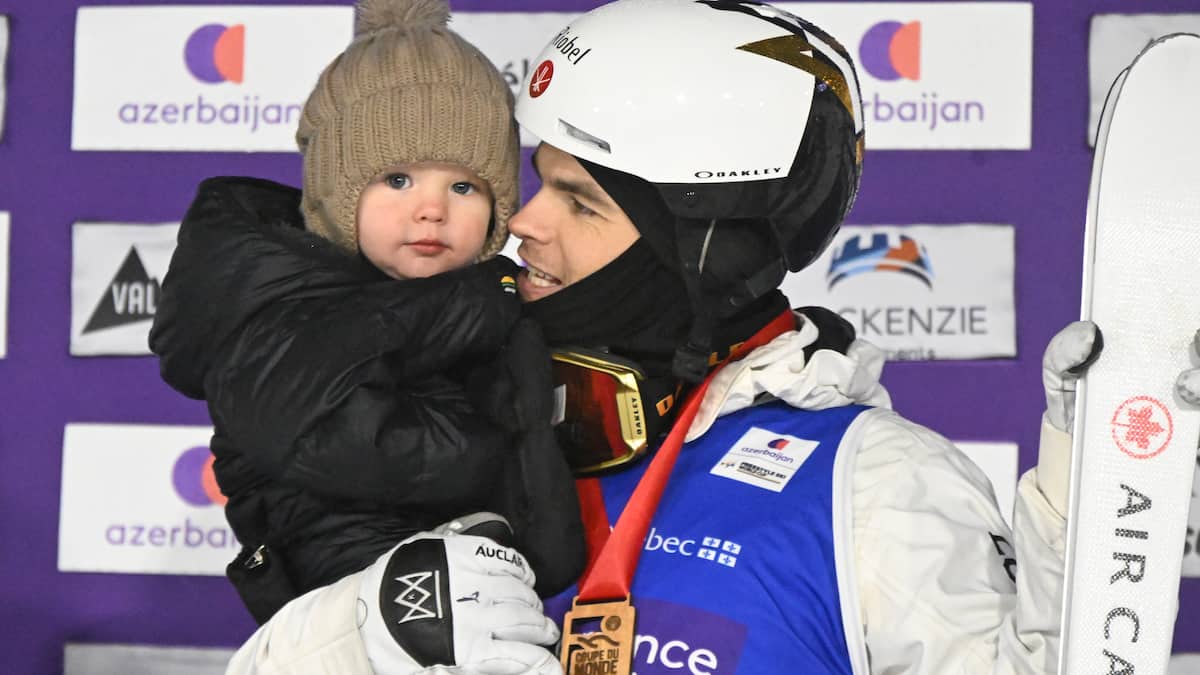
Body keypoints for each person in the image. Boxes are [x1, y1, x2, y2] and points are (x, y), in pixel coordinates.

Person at [506, 1, 1196, 673]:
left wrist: (1094, 480)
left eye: (579, 201)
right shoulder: (474, 425)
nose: (523, 222)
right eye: (540, 181)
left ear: (694, 251)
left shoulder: (875, 485)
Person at [148, 0, 583, 672]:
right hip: (352, 624)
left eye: (465, 184)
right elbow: (356, 443)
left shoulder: (491, 298)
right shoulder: (276, 303)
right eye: (397, 179)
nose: (431, 207)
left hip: (482, 614)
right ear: (336, 191)